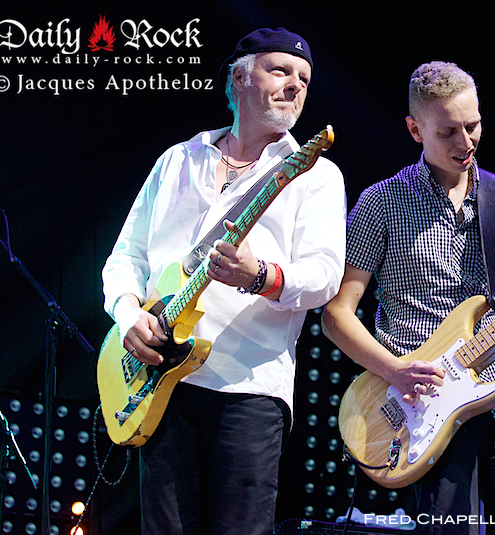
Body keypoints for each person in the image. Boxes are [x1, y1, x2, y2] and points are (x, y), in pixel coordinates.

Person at [101, 27, 346, 535]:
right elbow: (126, 256)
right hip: (159, 379)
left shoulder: (316, 175)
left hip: (249, 386)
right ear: (239, 78)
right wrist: (127, 315)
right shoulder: (178, 159)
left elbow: (324, 277)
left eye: (304, 79)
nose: (295, 86)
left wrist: (259, 276)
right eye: (280, 71)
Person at [322, 61, 495, 535]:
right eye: (448, 131)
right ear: (415, 130)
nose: (465, 142)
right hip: (425, 402)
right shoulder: (381, 201)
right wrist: (394, 369)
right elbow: (336, 315)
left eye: (473, 126)